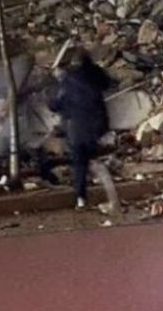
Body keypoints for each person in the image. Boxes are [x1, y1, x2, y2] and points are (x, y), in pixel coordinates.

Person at [48, 50, 111, 209]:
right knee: (92, 158)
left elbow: (54, 105)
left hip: (76, 126)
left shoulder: (67, 81)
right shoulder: (95, 73)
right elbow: (108, 84)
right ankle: (106, 192)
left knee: (80, 163)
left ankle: (81, 198)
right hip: (96, 124)